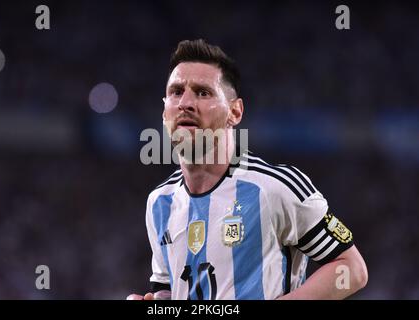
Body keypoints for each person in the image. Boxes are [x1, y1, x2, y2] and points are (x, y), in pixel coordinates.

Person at [127, 39, 368, 300]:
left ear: (235, 111)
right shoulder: (159, 203)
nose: (185, 102)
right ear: (165, 112)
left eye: (202, 92)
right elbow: (167, 289)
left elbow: (352, 270)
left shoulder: (276, 187)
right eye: (176, 92)